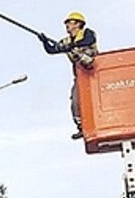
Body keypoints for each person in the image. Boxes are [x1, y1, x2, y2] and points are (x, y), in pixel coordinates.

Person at [39, 12, 99, 140]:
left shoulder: (87, 33)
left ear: (78, 24)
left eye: (69, 22)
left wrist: (71, 46)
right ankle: (82, 127)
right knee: (76, 101)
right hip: (80, 74)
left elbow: (89, 41)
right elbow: (52, 50)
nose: (67, 25)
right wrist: (44, 41)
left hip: (95, 70)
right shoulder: (65, 41)